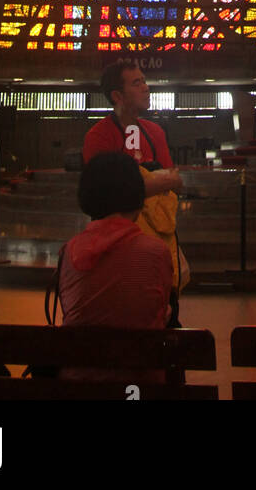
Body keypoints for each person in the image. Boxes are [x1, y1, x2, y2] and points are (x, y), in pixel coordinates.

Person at [57, 153, 173, 382]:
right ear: (137, 197)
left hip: (78, 387)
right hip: (141, 385)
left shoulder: (68, 252)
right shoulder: (156, 252)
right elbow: (158, 314)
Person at [82, 56, 185, 311]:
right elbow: (106, 197)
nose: (146, 88)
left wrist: (143, 183)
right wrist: (154, 182)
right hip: (114, 249)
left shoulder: (155, 132)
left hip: (158, 240)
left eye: (145, 82)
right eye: (137, 83)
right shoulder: (99, 136)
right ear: (117, 95)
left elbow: (174, 182)